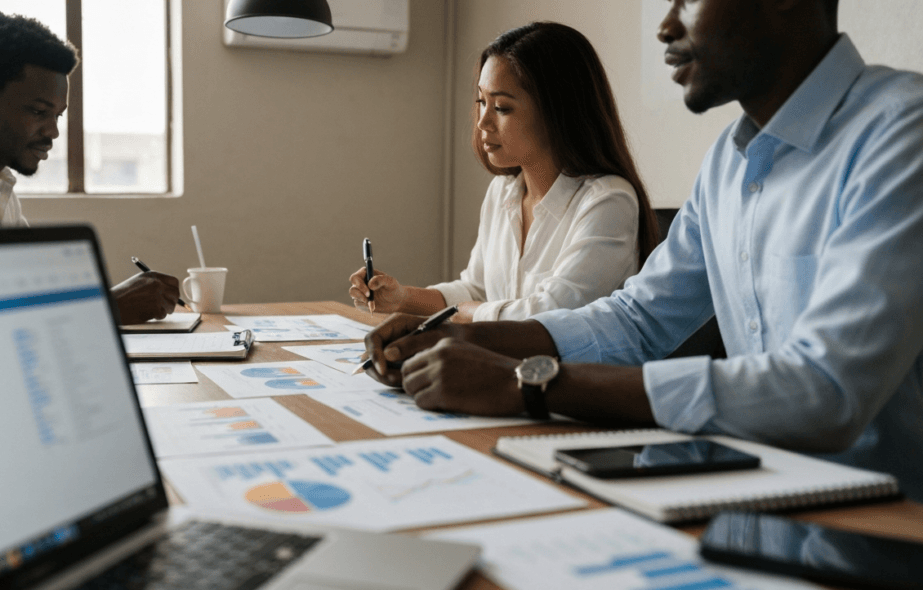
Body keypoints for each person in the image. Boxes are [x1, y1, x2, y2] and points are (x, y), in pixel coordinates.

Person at [363, 0, 923, 501]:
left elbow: (823, 389)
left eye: (687, 0)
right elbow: (638, 322)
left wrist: (524, 382)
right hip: (759, 493)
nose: (665, 25)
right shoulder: (727, 164)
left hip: (892, 520)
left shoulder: (901, 132)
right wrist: (461, 337)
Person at [348, 22, 658, 323]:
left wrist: (465, 313)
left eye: (502, 108)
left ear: (558, 111)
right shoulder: (503, 192)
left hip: (566, 373)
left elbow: (549, 315)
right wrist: (403, 298)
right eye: (482, 102)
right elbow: (477, 290)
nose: (483, 122)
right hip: (502, 366)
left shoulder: (609, 201)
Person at [0, 12, 179, 324]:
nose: (53, 132)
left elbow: (36, 295)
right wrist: (109, 306)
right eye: (39, 111)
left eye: (57, 116)